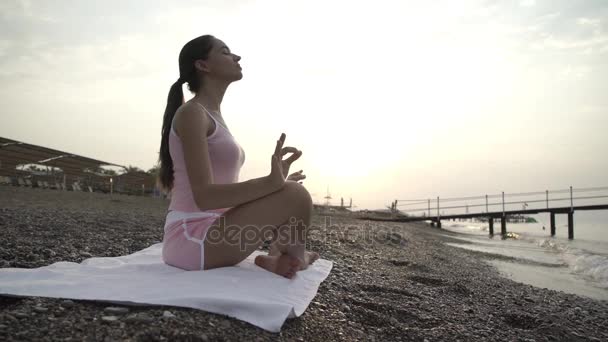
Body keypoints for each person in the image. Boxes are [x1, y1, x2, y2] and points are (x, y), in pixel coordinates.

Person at [157, 35, 319, 279]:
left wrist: (275, 184)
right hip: (192, 238)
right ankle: (297, 256)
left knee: (291, 191)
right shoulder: (192, 113)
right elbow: (204, 197)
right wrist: (271, 184)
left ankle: (275, 257)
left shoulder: (211, 115)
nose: (236, 57)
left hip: (213, 228)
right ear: (203, 65)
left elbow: (224, 195)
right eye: (225, 52)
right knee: (295, 194)